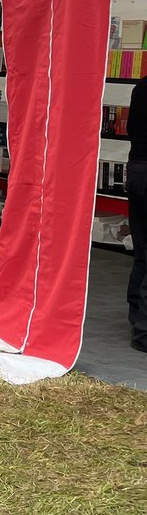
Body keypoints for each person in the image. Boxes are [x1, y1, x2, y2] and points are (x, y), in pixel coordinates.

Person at [123, 76, 147, 354]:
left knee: (141, 250)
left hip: (137, 168)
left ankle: (135, 315)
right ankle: (143, 332)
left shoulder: (140, 86)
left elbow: (131, 129)